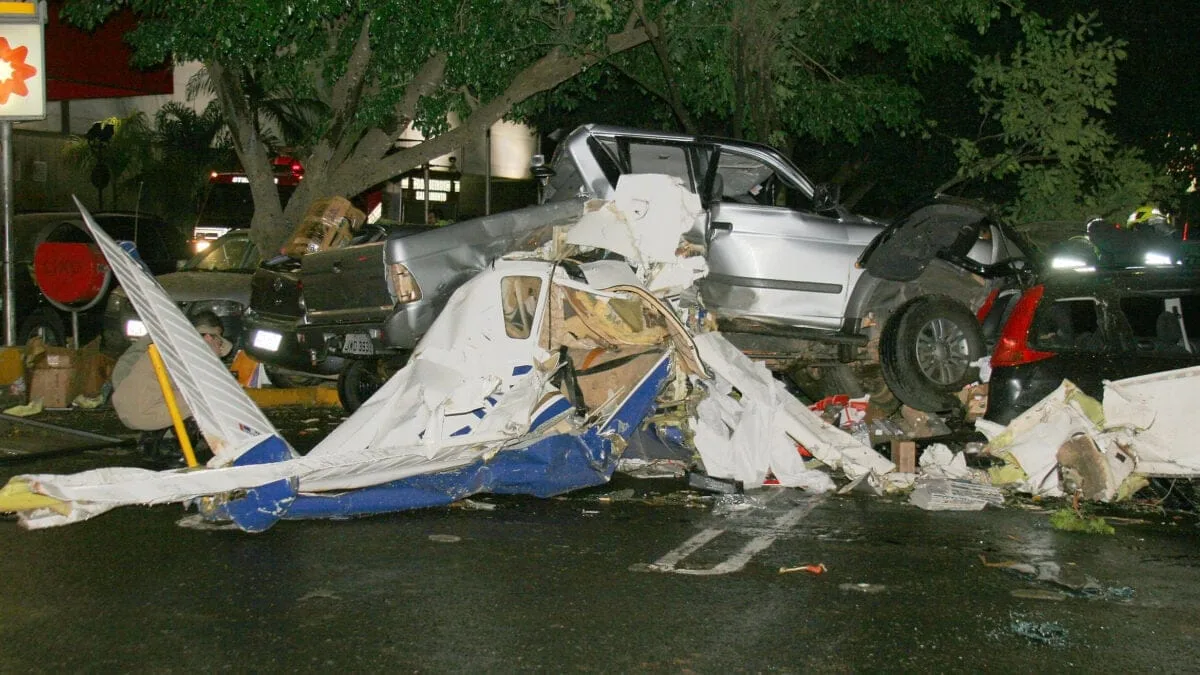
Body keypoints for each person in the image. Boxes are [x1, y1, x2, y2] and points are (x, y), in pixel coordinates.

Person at [111, 311, 232, 460]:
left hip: (123, 407)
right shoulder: (192, 353)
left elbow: (124, 365)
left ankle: (156, 434)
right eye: (219, 343)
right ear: (207, 337)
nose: (219, 349)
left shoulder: (164, 341)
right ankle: (177, 444)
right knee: (212, 391)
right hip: (144, 414)